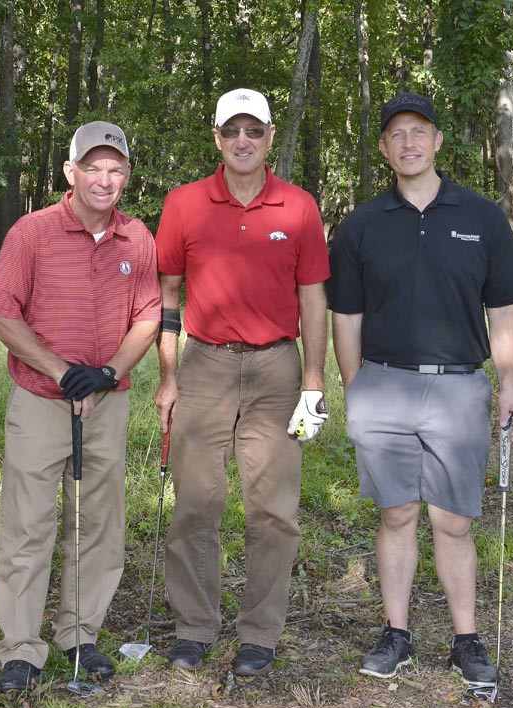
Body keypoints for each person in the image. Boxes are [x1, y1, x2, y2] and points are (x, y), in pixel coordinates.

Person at [326, 91, 513, 688]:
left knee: (453, 521)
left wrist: (510, 384)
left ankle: (466, 640)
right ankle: (397, 634)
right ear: (384, 147)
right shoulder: (361, 225)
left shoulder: (482, 218)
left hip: (459, 389)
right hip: (383, 386)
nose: (409, 142)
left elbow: (504, 308)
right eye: (397, 134)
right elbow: (346, 317)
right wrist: (355, 388)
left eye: (420, 131)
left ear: (438, 141)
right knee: (396, 514)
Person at [154, 88, 331, 676]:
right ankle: (194, 626)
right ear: (217, 138)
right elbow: (168, 296)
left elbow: (313, 298)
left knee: (274, 509)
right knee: (195, 504)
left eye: (254, 130)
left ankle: (260, 631)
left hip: (277, 368)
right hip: (204, 365)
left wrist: (313, 382)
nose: (242, 141)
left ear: (270, 136)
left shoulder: (299, 207)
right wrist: (168, 376)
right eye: (231, 130)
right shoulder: (183, 204)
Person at [0, 121, 160, 692]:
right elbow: (1, 312)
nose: (104, 179)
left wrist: (109, 372)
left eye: (115, 169)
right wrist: (61, 370)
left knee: (99, 524)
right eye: (93, 167)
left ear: (126, 175)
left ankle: (79, 633)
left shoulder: (138, 237)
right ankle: (21, 649)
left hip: (107, 403)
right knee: (28, 525)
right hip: (41, 400)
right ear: (71, 172)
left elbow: (149, 316)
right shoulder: (32, 232)